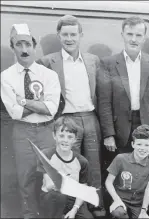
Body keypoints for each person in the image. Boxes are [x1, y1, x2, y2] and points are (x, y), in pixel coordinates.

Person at [37, 15, 105, 216]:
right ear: (59, 36)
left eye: (73, 34)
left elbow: (100, 92)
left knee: (93, 165)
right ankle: (72, 207)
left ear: (80, 36)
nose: (69, 38)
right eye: (65, 34)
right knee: (69, 164)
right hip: (66, 120)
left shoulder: (93, 60)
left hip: (90, 118)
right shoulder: (48, 61)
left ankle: (94, 205)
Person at [0, 23, 61, 218]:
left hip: (46, 130)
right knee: (25, 177)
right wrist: (39, 104)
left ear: (34, 47)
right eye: (19, 45)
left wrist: (24, 101)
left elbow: (51, 110)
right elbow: (15, 113)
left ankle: (50, 214)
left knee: (50, 175)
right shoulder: (6, 77)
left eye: (28, 44)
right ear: (13, 48)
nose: (24, 50)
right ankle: (29, 214)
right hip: (22, 131)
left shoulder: (49, 75)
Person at [96, 16, 149, 164]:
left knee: (145, 170)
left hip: (148, 127)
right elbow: (104, 103)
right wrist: (108, 134)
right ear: (122, 35)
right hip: (119, 129)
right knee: (121, 170)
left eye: (138, 35)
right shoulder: (108, 63)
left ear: (144, 38)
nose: (134, 39)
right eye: (130, 34)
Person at [38, 116, 93, 219]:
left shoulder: (82, 161)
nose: (65, 140)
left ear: (75, 139)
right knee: (58, 196)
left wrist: (74, 209)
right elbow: (49, 185)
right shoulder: (47, 155)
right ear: (54, 136)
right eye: (61, 136)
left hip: (72, 200)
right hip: (52, 198)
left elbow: (83, 189)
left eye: (70, 137)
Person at [105, 124, 149, 219]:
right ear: (132, 144)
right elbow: (108, 182)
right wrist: (117, 200)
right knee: (119, 213)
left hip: (138, 203)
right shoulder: (120, 158)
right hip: (121, 199)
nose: (142, 148)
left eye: (147, 145)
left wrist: (144, 210)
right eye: (139, 144)